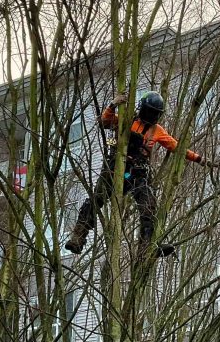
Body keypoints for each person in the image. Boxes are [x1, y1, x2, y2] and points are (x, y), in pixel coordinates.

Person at [64, 90, 204, 257]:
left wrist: (199, 158)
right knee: (96, 200)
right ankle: (78, 237)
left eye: (154, 113)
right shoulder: (126, 119)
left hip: (136, 173)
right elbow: (104, 121)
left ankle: (147, 246)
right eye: (149, 111)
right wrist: (113, 105)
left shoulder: (157, 130)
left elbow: (177, 147)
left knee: (148, 205)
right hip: (114, 169)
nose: (151, 116)